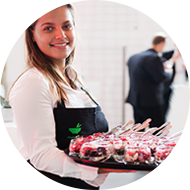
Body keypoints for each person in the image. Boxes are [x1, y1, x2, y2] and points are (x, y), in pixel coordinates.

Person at [126, 33, 172, 130]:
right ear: (161, 43)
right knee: (157, 131)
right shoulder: (154, 58)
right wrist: (168, 72)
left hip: (136, 100)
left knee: (139, 130)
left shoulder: (134, 57)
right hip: (151, 101)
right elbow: (160, 78)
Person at [162, 38, 190, 117]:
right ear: (175, 45)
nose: (181, 49)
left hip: (184, 86)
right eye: (179, 46)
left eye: (183, 46)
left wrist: (188, 67)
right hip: (170, 86)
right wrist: (173, 59)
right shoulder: (167, 54)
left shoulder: (188, 55)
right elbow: (163, 68)